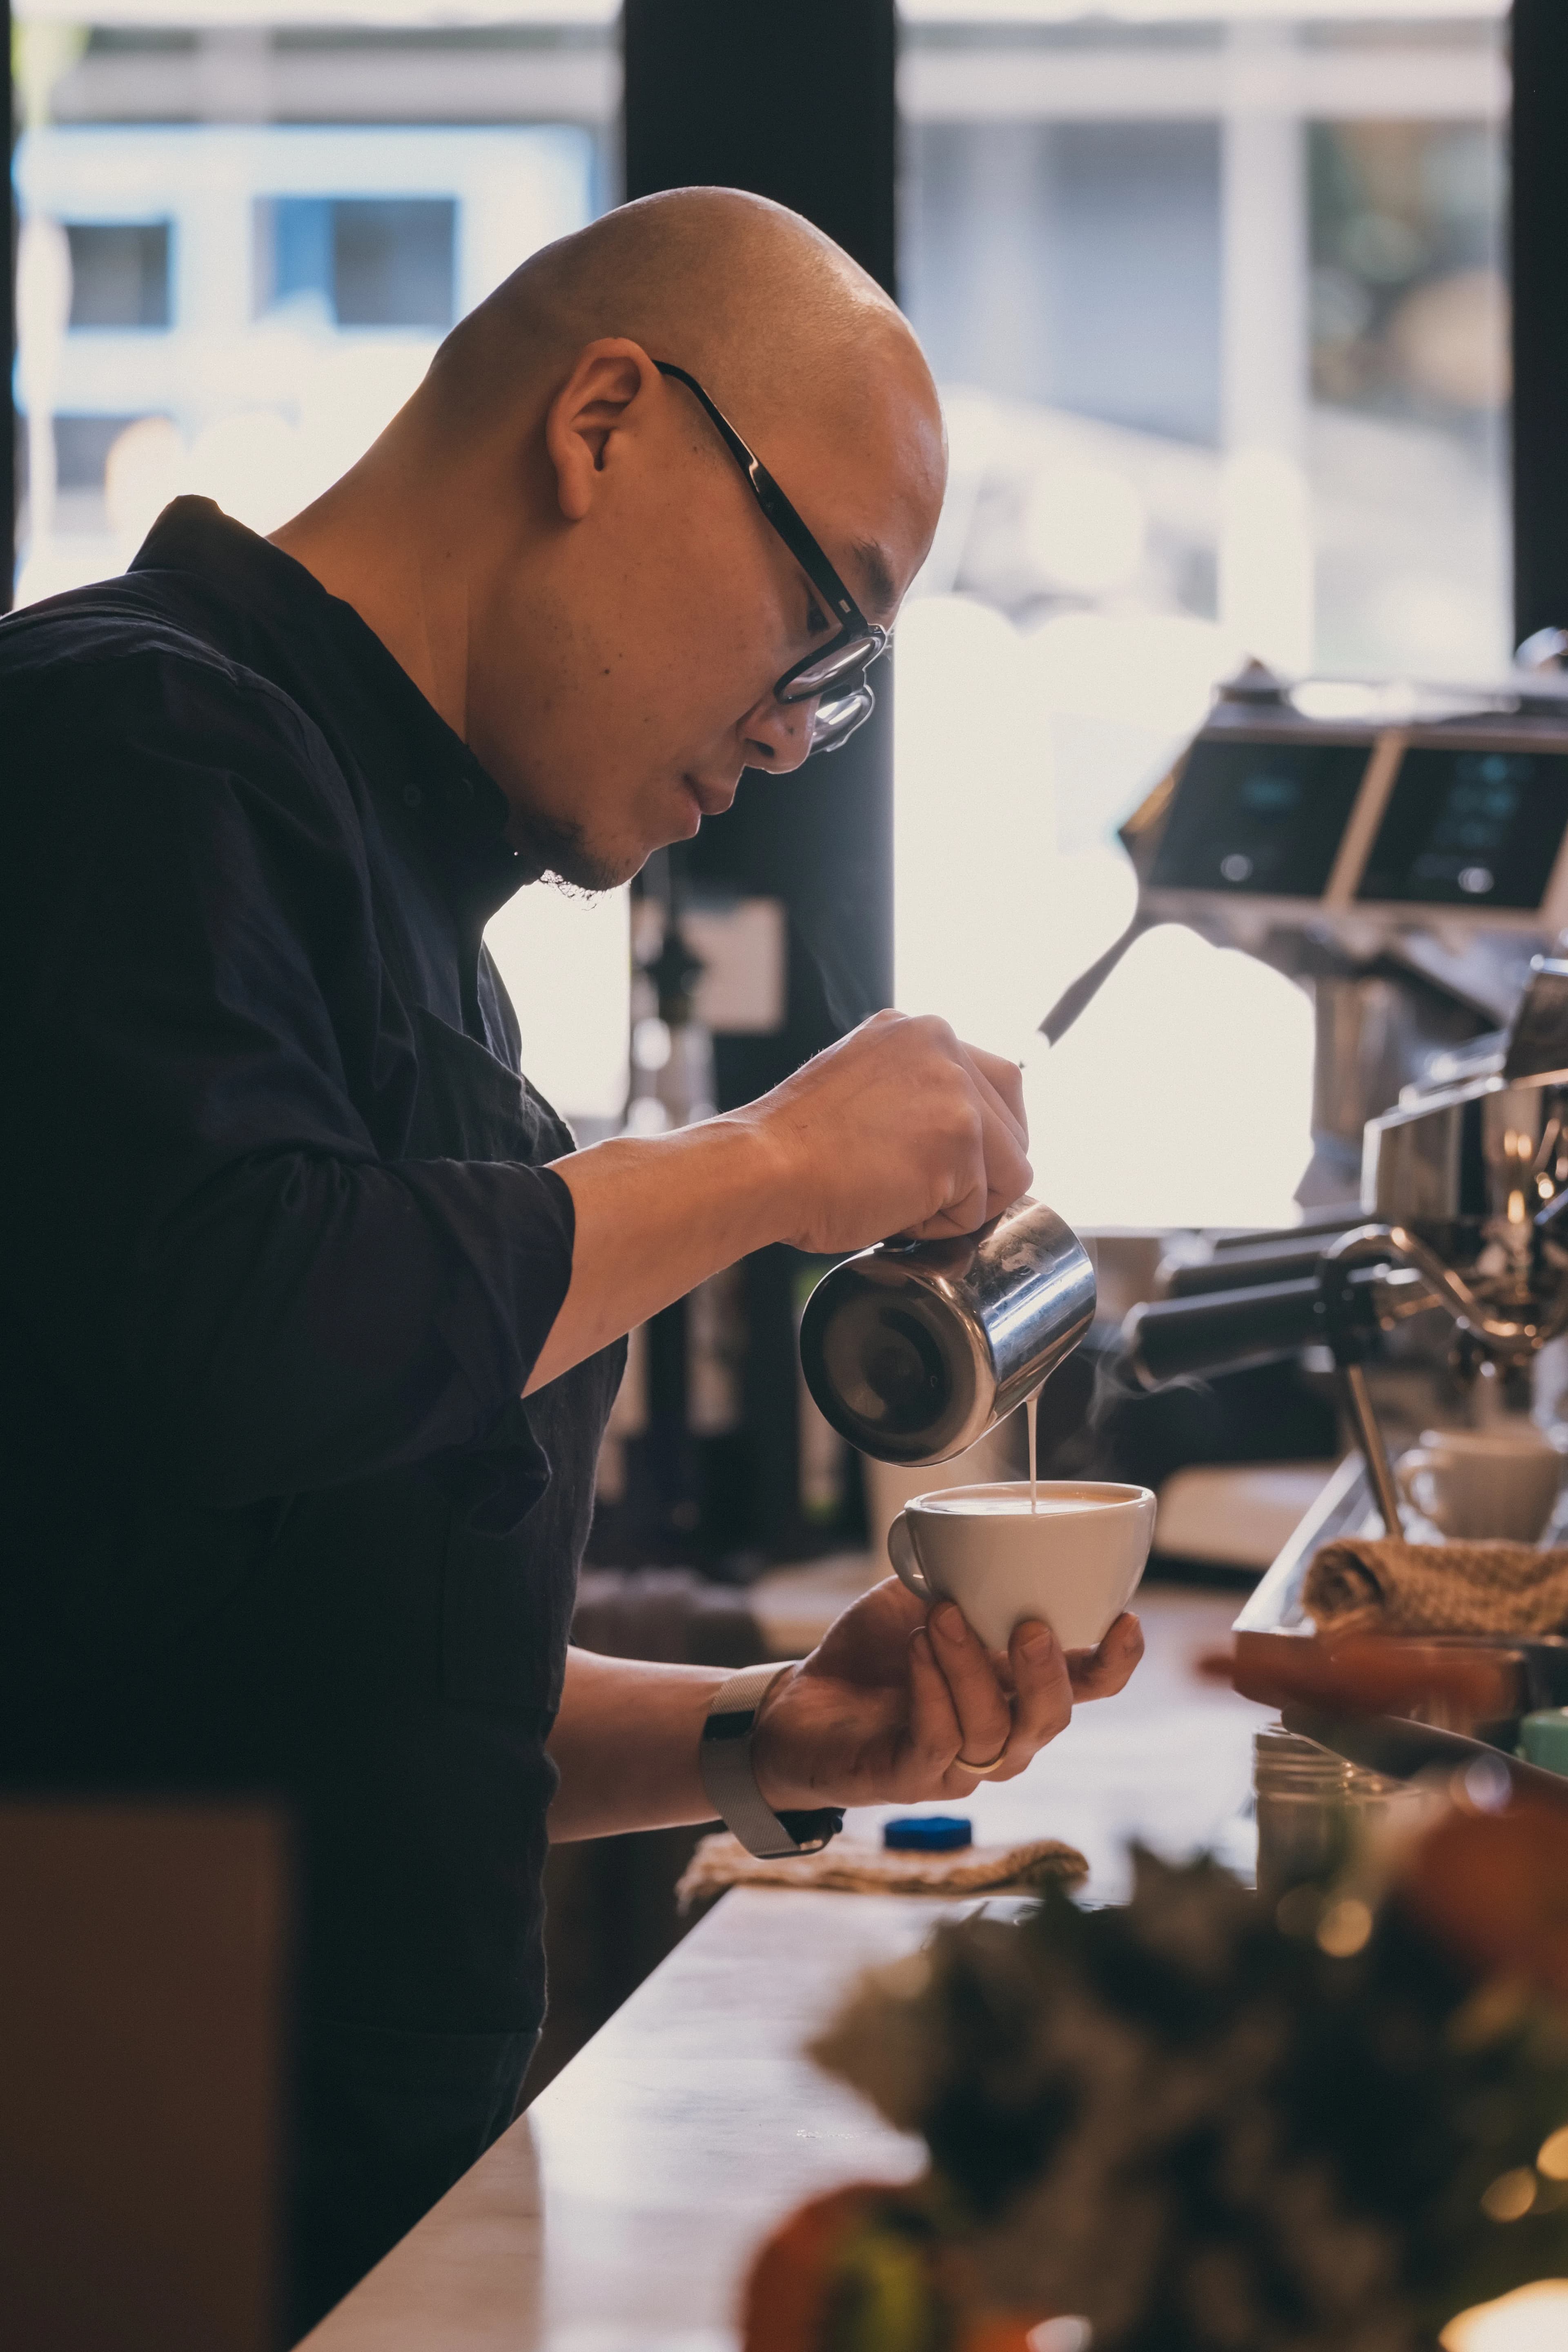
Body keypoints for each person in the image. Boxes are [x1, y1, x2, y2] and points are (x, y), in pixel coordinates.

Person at [0, 188, 1142, 2329]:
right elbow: (250, 1325)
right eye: (828, 606)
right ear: (605, 418)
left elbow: (356, 1683)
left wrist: (773, 1741)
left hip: (343, 2182)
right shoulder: (125, 746)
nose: (808, 725)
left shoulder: (405, 891)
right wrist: (776, 1161)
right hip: (115, 2156)